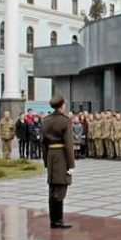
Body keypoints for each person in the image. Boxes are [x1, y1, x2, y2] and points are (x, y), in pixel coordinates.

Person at [42, 94, 75, 229]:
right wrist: (71, 164)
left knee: (52, 188)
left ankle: (53, 220)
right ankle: (58, 220)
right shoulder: (65, 120)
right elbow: (68, 144)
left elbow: (43, 143)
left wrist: (45, 161)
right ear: (62, 105)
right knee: (61, 187)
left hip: (50, 155)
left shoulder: (46, 120)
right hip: (61, 156)